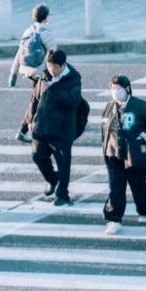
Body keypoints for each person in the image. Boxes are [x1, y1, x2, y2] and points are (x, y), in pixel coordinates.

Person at [101, 74, 146, 234]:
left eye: (118, 88)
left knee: (138, 184)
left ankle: (145, 210)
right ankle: (114, 219)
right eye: (113, 88)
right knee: (116, 187)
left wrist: (144, 136)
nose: (115, 91)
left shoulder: (139, 105)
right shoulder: (109, 107)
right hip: (113, 154)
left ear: (127, 88)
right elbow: (104, 130)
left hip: (133, 153)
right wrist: (106, 149)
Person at [26, 48, 84, 205]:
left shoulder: (73, 79)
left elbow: (72, 102)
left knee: (63, 163)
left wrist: (53, 87)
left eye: (54, 67)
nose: (51, 70)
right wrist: (30, 120)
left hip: (62, 129)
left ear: (63, 65)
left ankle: (62, 195)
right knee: (37, 156)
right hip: (42, 126)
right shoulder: (45, 75)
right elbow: (35, 98)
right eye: (48, 65)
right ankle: (52, 179)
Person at [6, 4, 54, 90]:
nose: (50, 17)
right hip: (40, 71)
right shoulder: (46, 33)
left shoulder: (27, 31)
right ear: (45, 17)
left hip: (27, 70)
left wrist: (13, 74)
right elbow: (54, 55)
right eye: (49, 15)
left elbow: (19, 53)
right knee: (45, 97)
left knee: (37, 95)